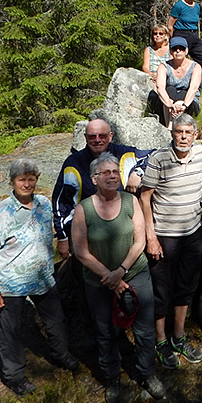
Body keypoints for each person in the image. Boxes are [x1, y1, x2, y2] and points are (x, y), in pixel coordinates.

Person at [72, 152, 165, 403]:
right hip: (99, 282)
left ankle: (147, 373)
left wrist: (120, 272)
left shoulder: (130, 201)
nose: (112, 176)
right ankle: (112, 378)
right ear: (94, 179)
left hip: (134, 273)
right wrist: (109, 278)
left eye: (115, 172)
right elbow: (80, 251)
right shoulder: (84, 209)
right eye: (106, 173)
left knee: (144, 331)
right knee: (105, 333)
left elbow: (139, 241)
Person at [0, 159, 78, 396]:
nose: (27, 184)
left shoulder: (44, 204)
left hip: (43, 277)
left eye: (31, 178)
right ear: (12, 181)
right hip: (12, 282)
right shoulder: (0, 214)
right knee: (11, 330)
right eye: (21, 179)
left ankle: (60, 354)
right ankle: (14, 376)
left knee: (55, 321)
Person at [52, 118, 151, 344]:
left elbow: (153, 155)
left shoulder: (124, 154)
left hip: (123, 241)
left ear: (111, 136)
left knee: (125, 296)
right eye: (92, 136)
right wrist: (63, 237)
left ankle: (123, 339)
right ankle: (95, 340)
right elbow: (59, 201)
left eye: (102, 136)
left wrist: (139, 173)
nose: (97, 140)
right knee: (91, 295)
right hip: (85, 242)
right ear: (85, 138)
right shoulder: (73, 163)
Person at [140, 114, 202, 369]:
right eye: (179, 132)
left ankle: (179, 337)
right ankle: (161, 340)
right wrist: (150, 237)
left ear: (195, 135)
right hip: (164, 235)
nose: (184, 137)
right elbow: (145, 197)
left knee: (186, 287)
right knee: (161, 291)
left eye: (188, 132)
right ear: (172, 133)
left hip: (192, 233)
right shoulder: (159, 158)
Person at [155, 36, 202, 128]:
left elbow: (193, 88)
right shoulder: (164, 66)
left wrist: (183, 105)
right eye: (175, 49)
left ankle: (174, 127)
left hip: (189, 102)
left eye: (181, 49)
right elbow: (160, 87)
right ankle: (170, 127)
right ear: (170, 51)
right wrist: (169, 104)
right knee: (170, 90)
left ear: (186, 51)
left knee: (181, 96)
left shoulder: (195, 67)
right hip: (168, 102)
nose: (178, 51)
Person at [142, 24, 170, 118]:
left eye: (161, 33)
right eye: (155, 33)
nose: (158, 35)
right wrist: (150, 74)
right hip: (152, 77)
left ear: (166, 35)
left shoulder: (171, 49)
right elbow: (145, 67)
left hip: (166, 76)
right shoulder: (148, 50)